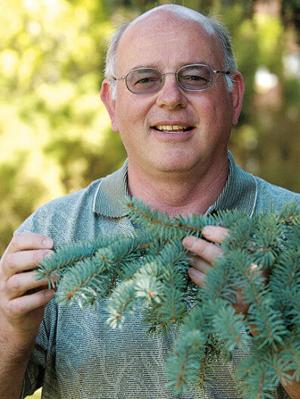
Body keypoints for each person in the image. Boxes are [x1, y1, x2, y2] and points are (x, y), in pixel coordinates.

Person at [0, 4, 299, 399]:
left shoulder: (291, 226)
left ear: (235, 95)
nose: (170, 98)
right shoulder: (53, 234)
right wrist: (9, 331)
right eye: (145, 79)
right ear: (111, 103)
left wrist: (267, 318)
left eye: (195, 77)